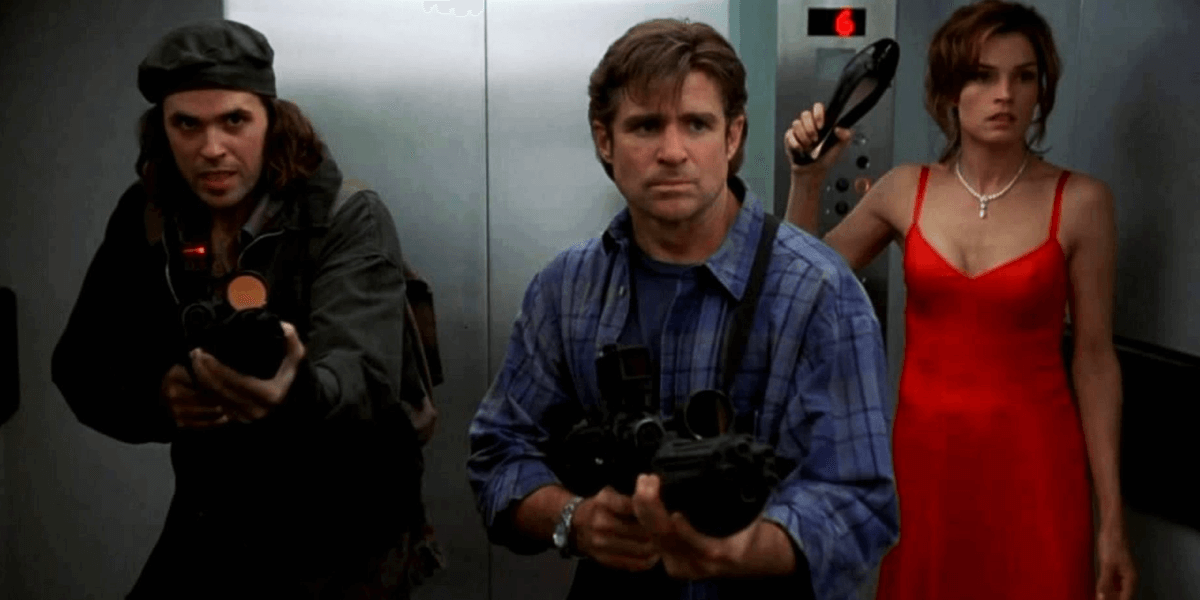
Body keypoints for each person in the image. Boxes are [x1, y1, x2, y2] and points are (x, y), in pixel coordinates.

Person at [468, 18, 898, 600]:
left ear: (732, 136)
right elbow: (499, 451)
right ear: (605, 140)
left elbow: (857, 500)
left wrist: (743, 549)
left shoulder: (819, 292)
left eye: (696, 124)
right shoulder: (565, 289)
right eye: (646, 126)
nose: (672, 153)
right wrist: (575, 518)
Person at [52, 20, 432, 599]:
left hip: (346, 533)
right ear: (162, 129)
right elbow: (81, 366)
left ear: (271, 121)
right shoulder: (151, 216)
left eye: (234, 120)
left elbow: (364, 380)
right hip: (214, 522)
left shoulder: (346, 215)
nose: (211, 148)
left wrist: (293, 394)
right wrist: (161, 396)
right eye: (187, 124)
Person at [782, 2, 1137, 599]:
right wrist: (807, 180)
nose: (1005, 95)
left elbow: (1096, 361)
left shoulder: (1081, 202)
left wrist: (1114, 523)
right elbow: (799, 289)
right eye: (982, 75)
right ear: (949, 89)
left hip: (1037, 470)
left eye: (1024, 77)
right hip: (926, 469)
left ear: (1041, 90)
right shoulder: (906, 189)